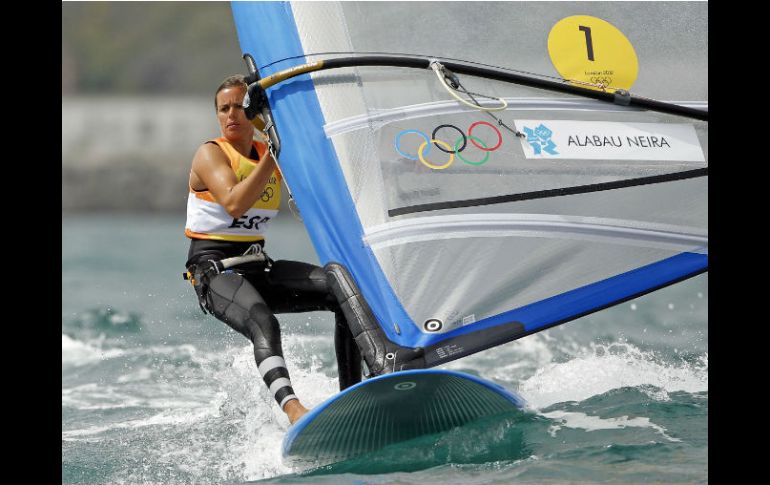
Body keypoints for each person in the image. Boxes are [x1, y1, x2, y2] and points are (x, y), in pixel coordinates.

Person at [184, 75, 360, 425]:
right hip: (215, 273)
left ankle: (354, 397)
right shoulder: (211, 154)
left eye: (239, 106)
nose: (231, 114)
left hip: (257, 266)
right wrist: (273, 154)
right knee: (263, 320)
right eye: (223, 109)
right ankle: (293, 410)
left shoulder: (268, 152)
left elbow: (318, 180)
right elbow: (234, 203)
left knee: (344, 291)